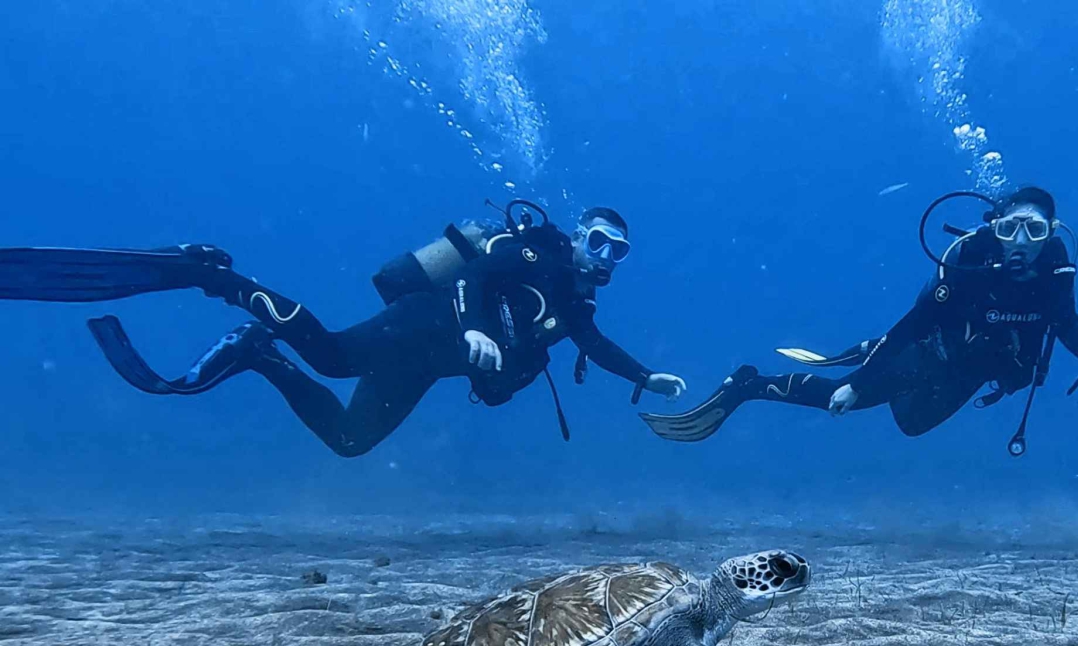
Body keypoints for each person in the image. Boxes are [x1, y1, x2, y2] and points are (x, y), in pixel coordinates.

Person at [0, 202, 686, 456]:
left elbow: (593, 344)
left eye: (619, 252)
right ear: (579, 234)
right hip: (425, 322)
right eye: (601, 241)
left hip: (426, 364)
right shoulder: (532, 252)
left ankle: (258, 355)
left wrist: (643, 375)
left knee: (352, 442)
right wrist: (475, 327)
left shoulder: (574, 305)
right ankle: (219, 278)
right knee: (330, 356)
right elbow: (476, 278)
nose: (605, 258)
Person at [640, 186, 1078, 454]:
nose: (1021, 242)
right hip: (930, 354)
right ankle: (748, 384)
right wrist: (861, 384)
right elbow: (914, 323)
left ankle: (872, 355)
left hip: (975, 370)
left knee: (912, 425)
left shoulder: (1055, 266)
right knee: (841, 398)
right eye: (1010, 229)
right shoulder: (969, 263)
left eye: (1035, 230)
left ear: (1051, 233)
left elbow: (1064, 318)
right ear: (994, 230)